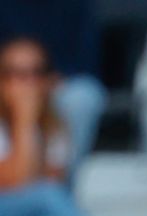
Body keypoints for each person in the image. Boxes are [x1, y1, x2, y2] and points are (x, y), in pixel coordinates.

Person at [0, 37, 121, 216]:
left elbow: (49, 183)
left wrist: (30, 123)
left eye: (36, 72)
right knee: (47, 196)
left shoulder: (55, 124)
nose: (25, 82)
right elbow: (16, 182)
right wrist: (24, 120)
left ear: (48, 79)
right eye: (14, 73)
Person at [3, 4, 105, 165]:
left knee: (82, 97)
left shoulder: (76, 7)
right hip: (7, 80)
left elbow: (86, 61)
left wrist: (44, 80)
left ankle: (67, 178)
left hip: (57, 83)